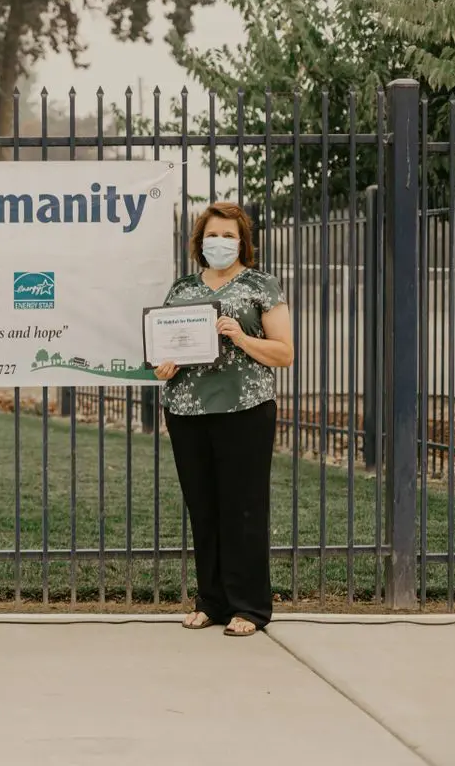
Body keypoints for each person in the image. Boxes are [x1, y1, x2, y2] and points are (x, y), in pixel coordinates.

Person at [153, 201, 294, 637]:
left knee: (244, 509)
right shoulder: (181, 290)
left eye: (229, 236)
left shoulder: (260, 286)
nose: (220, 242)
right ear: (200, 241)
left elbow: (284, 353)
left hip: (244, 412)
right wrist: (163, 365)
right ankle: (210, 602)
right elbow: (163, 348)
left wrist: (240, 335)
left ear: (242, 242)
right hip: (188, 412)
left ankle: (248, 608)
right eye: (213, 235)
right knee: (205, 508)